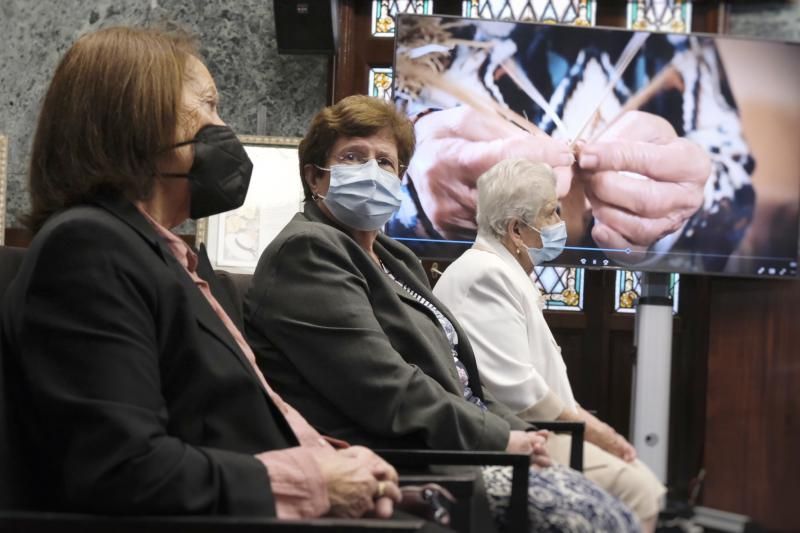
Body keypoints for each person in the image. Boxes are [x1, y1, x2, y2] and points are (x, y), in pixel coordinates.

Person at [0, 26, 440, 525]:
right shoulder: (87, 248)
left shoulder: (168, 257)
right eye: (208, 105)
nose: (222, 126)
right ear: (139, 117)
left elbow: (238, 423)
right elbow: (124, 470)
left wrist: (337, 462)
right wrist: (318, 481)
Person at [245, 94, 640, 532]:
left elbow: (456, 379)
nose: (372, 172)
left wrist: (523, 434)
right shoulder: (309, 251)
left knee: (610, 509)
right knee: (595, 520)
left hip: (452, 447)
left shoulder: (394, 258)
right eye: (353, 158)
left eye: (385, 162)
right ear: (316, 178)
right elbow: (388, 389)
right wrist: (500, 439)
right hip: (397, 459)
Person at [387, 18, 746, 272]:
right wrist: (415, 175)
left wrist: (682, 205)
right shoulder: (440, 35)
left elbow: (729, 167)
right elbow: (388, 130)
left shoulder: (681, 39)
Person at [433, 159, 666, 532]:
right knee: (637, 488)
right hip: (522, 437)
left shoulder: (499, 269)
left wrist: (595, 429)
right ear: (516, 230)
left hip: (538, 429)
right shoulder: (485, 275)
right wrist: (600, 433)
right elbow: (520, 393)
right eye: (550, 212)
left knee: (645, 483)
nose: (560, 220)